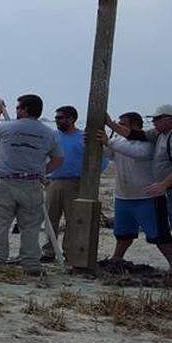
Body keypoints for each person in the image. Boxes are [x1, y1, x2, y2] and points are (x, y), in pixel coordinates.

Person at [107, 105, 172, 277]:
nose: (154, 122)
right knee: (126, 232)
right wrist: (109, 126)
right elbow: (133, 136)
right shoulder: (159, 134)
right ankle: (116, 259)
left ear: (171, 119)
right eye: (153, 120)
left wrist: (163, 184)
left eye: (157, 119)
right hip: (136, 194)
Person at [0, 95, 64, 276]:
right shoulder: (49, 133)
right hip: (31, 184)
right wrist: (42, 171)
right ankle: (31, 264)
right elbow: (58, 159)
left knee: (1, 223)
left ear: (26, 109)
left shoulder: (7, 127)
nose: (16, 110)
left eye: (19, 107)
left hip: (6, 183)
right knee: (30, 226)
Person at [95, 113, 172, 272]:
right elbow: (109, 153)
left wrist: (109, 141)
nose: (119, 127)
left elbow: (137, 153)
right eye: (118, 124)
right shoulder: (119, 142)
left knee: (159, 235)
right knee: (123, 233)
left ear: (135, 127)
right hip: (124, 196)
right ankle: (117, 258)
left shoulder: (148, 143)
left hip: (148, 197)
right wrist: (97, 143)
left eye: (122, 124)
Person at [42, 105, 108, 263]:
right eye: (56, 118)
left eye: (60, 118)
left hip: (75, 182)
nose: (57, 121)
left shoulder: (83, 138)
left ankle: (69, 251)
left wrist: (88, 178)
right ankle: (49, 251)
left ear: (71, 119)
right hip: (53, 181)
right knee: (51, 217)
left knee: (73, 219)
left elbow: (101, 161)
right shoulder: (53, 136)